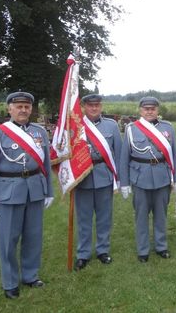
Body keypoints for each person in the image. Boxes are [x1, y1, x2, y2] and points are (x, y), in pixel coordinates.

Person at [0, 92, 54, 299]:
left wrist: (49, 191)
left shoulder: (39, 132)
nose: (23, 110)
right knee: (8, 240)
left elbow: (46, 164)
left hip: (35, 190)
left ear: (31, 109)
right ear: (9, 109)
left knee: (33, 237)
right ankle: (10, 282)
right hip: (8, 192)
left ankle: (30, 276)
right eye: (18, 106)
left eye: (26, 106)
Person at [119, 97, 176, 262]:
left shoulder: (168, 128)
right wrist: (124, 183)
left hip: (162, 176)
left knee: (161, 215)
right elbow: (124, 158)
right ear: (140, 110)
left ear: (157, 110)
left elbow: (174, 155)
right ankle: (143, 249)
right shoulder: (132, 129)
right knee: (141, 216)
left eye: (153, 108)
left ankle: (161, 246)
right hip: (140, 178)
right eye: (146, 108)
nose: (149, 111)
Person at [74, 94, 122, 270]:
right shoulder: (76, 126)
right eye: (90, 105)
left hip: (104, 176)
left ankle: (103, 250)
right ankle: (83, 254)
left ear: (101, 106)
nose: (94, 108)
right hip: (83, 178)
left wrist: (119, 179)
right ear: (84, 106)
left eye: (97, 105)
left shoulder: (111, 125)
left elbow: (119, 153)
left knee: (104, 218)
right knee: (84, 219)